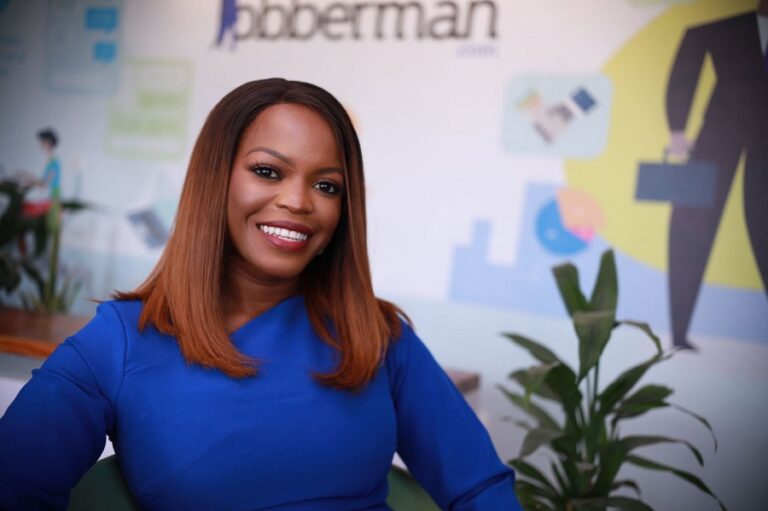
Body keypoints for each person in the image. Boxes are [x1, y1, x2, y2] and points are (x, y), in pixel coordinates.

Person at [0, 79, 521, 510]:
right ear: (216, 182)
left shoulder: (379, 337)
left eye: (327, 186)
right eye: (268, 172)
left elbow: (479, 488)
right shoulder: (117, 342)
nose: (297, 201)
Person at [665, 1, 768, 348]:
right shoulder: (727, 25)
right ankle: (678, 332)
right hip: (718, 135)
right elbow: (690, 55)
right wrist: (677, 127)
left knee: (763, 224)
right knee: (690, 223)